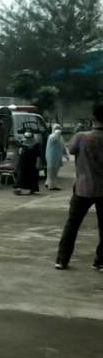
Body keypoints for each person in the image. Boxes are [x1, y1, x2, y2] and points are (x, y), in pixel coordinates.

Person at [55, 103, 103, 270]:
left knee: (72, 224)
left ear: (93, 118)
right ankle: (100, 261)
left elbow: (72, 150)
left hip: (83, 187)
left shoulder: (82, 137)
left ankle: (62, 259)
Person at [45, 124, 69, 190]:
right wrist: (57, 133)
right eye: (56, 128)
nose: (58, 130)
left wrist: (66, 155)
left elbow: (63, 147)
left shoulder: (61, 137)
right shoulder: (51, 136)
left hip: (58, 157)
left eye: (59, 128)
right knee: (51, 171)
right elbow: (55, 138)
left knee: (55, 172)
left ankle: (48, 183)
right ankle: (52, 186)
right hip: (51, 156)